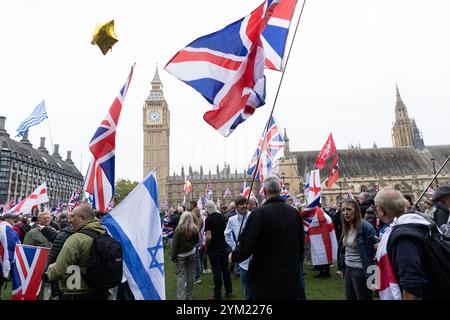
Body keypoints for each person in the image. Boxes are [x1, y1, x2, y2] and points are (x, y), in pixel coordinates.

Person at [232, 174, 305, 300]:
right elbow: (301, 246)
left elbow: (246, 246)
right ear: (280, 190)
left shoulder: (258, 214)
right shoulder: (294, 213)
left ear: (264, 191)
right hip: (289, 279)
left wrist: (234, 256)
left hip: (265, 281)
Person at [374, 187, 446, 300]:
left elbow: (412, 285)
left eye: (376, 208)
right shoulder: (417, 222)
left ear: (381, 211)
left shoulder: (403, 239)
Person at [46, 203, 110, 300]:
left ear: (82, 218)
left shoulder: (76, 239)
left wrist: (50, 269)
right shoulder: (105, 235)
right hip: (101, 293)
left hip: (76, 293)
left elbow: (59, 271)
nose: (69, 220)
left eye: (72, 216)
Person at [338, 199, 378, 300]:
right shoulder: (347, 226)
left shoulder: (366, 228)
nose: (345, 213)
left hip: (361, 270)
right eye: (343, 210)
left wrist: (373, 280)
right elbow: (343, 249)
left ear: (356, 210)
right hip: (348, 269)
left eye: (349, 209)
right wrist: (342, 267)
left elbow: (374, 255)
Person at [224, 196, 252, 299]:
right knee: (246, 283)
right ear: (236, 207)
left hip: (255, 254)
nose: (244, 205)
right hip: (243, 258)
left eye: (245, 203)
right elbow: (227, 234)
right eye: (241, 204)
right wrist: (234, 246)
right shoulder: (232, 220)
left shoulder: (253, 216)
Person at [204, 200, 232, 300]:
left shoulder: (208, 220)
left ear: (207, 209)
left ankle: (217, 294)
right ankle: (229, 291)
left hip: (214, 248)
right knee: (225, 270)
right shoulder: (222, 217)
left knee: (216, 271)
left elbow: (209, 237)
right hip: (224, 246)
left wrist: (206, 246)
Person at [171, 212, 199, 300]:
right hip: (191, 253)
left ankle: (181, 297)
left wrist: (173, 257)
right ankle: (189, 296)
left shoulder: (179, 229)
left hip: (181, 255)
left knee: (181, 277)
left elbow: (175, 244)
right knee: (191, 275)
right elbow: (197, 241)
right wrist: (192, 247)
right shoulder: (195, 228)